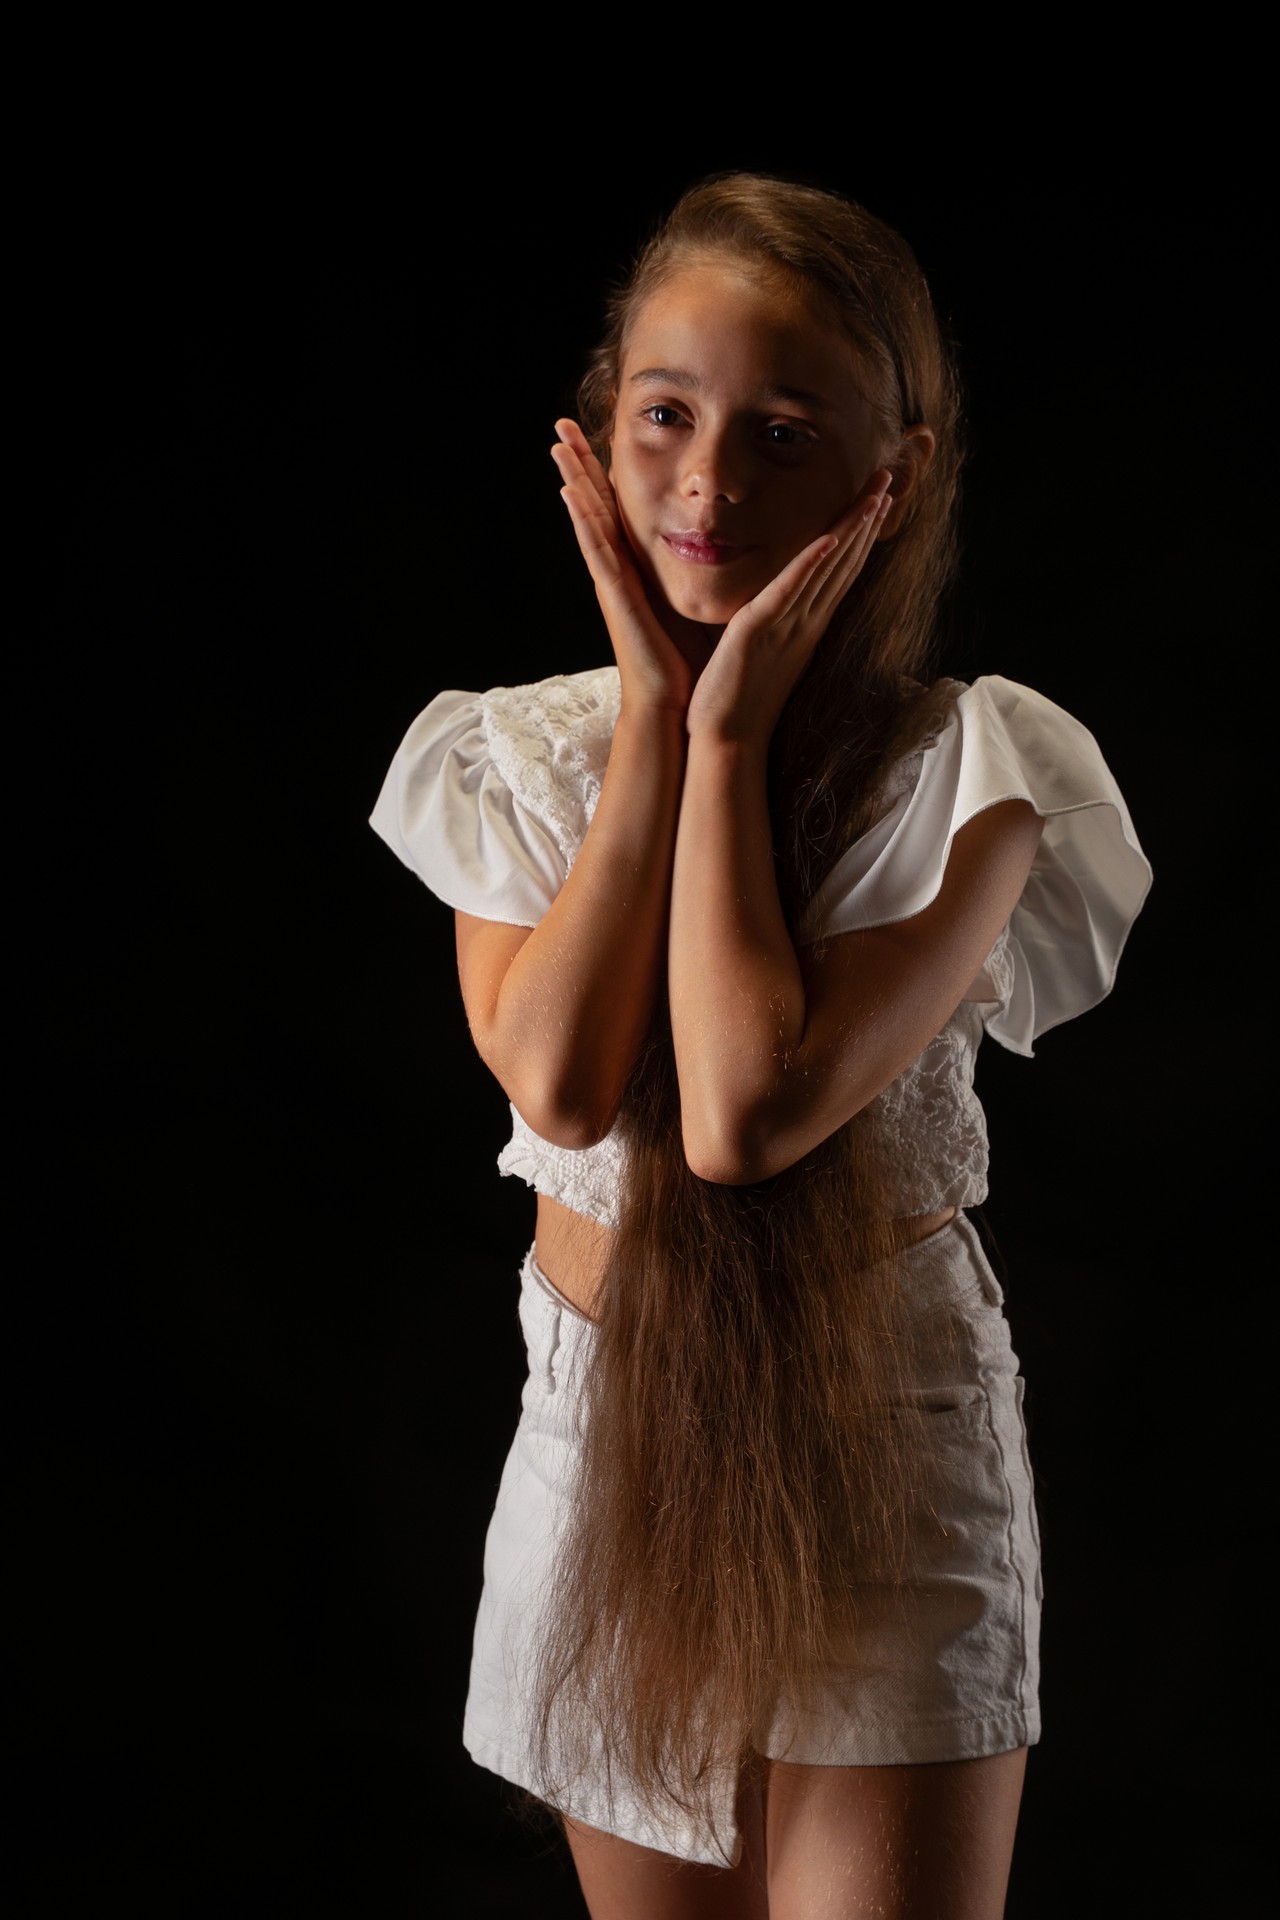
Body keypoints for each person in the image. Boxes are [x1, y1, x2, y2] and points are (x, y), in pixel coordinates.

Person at [369, 172, 1152, 1918]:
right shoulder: (514, 757)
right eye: (666, 415)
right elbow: (561, 1082)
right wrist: (656, 721)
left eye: (783, 435)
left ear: (895, 477)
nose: (710, 483)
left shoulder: (976, 770)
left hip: (886, 1443)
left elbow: (740, 1117)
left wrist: (727, 750)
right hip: (600, 1446)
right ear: (599, 428)